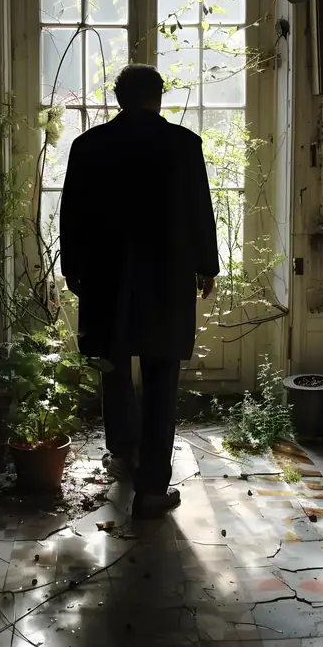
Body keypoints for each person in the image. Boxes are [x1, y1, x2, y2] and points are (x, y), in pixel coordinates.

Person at [60, 64, 219, 519]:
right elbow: (198, 210)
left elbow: (71, 215)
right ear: (159, 96)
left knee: (113, 360)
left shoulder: (88, 146)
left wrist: (73, 270)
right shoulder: (184, 145)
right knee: (160, 375)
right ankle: (152, 487)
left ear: (118, 98)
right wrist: (206, 266)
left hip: (105, 276)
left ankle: (123, 450)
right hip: (166, 278)